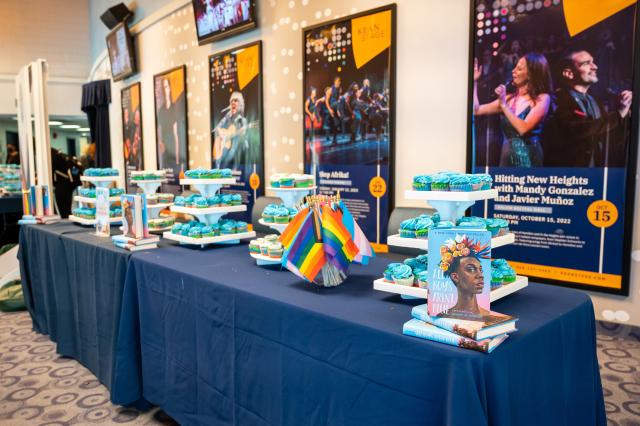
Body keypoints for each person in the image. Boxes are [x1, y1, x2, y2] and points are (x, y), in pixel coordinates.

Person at [542, 50, 633, 167]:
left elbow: (607, 133)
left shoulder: (595, 101)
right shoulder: (556, 99)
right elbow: (579, 129)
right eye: (586, 63)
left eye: (593, 62)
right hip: (568, 177)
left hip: (594, 174)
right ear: (569, 74)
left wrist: (627, 112)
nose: (595, 67)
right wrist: (619, 114)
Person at [473, 52, 553, 167]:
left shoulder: (543, 98)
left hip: (529, 158)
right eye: (514, 67)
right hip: (506, 155)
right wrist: (474, 81)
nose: (513, 71)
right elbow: (476, 110)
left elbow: (523, 129)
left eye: (519, 69)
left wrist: (503, 105)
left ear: (531, 74)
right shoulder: (509, 99)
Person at [441, 255, 491, 319]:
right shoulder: (442, 316)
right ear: (455, 277)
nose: (481, 275)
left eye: (480, 270)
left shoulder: (486, 317)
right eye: (471, 269)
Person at [213, 91, 248, 173]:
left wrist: (242, 134)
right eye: (232, 101)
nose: (233, 102)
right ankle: (219, 170)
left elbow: (245, 137)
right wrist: (221, 133)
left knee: (233, 150)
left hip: (236, 144)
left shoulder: (242, 120)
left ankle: (232, 170)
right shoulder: (227, 116)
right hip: (226, 143)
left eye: (236, 100)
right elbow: (218, 127)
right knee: (221, 155)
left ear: (240, 104)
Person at [157, 77, 185, 177]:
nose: (165, 90)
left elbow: (177, 135)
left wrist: (178, 158)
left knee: (175, 177)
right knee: (166, 180)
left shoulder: (174, 108)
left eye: (166, 87)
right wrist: (160, 143)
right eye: (163, 88)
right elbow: (158, 129)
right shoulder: (161, 111)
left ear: (169, 88)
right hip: (166, 153)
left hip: (174, 151)